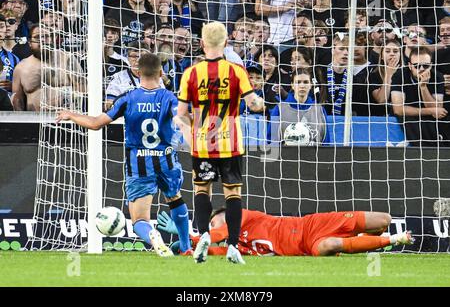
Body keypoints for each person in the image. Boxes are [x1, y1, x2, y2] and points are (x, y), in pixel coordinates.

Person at [55, 53, 192, 257]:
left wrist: (72, 115)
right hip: (167, 160)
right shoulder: (170, 98)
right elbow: (183, 121)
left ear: (137, 73)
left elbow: (95, 124)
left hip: (138, 164)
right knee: (175, 198)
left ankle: (154, 236)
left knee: (139, 221)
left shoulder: (127, 99)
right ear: (161, 73)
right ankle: (185, 246)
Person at [175, 22, 265, 264]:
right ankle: (233, 246)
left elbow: (180, 112)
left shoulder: (191, 74)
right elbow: (254, 103)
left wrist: (190, 127)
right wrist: (260, 104)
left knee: (202, 190)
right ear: (226, 43)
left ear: (202, 44)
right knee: (232, 192)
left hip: (203, 142)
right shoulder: (236, 71)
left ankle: (204, 233)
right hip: (230, 142)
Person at [157, 207, 414, 257]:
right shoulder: (238, 247)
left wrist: (191, 235)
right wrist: (183, 241)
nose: (216, 227)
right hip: (306, 247)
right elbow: (209, 250)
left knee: (384, 219)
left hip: (312, 224)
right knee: (327, 247)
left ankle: (368, 238)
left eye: (216, 222)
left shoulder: (243, 216)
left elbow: (217, 235)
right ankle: (392, 240)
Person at [12, 25, 84, 111]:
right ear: (30, 43)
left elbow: (83, 90)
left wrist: (65, 95)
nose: (42, 40)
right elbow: (17, 100)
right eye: (37, 37)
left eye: (45, 36)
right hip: (33, 120)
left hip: (64, 120)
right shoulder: (21, 68)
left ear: (52, 39)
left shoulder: (67, 59)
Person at [391, 46, 448, 146]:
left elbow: (438, 111)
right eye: (417, 66)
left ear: (431, 65)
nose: (421, 69)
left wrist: (423, 87)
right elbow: (398, 109)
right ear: (409, 65)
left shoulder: (437, 76)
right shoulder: (400, 75)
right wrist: (430, 111)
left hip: (428, 120)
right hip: (408, 119)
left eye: (425, 66)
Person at [270, 68, 327, 145]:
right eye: (298, 82)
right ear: (292, 85)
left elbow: (326, 142)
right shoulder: (279, 109)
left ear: (311, 85)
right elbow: (272, 140)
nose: (302, 86)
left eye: (306, 82)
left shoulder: (320, 110)